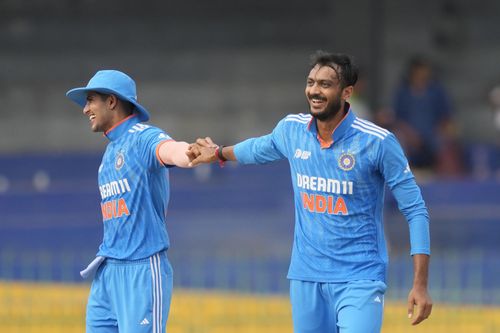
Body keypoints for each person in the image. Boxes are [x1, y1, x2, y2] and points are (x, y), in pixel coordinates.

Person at [187, 51, 433, 332]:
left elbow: (416, 210)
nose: (315, 90)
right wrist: (218, 153)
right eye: (311, 82)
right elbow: (256, 148)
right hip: (306, 277)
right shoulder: (292, 130)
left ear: (347, 92)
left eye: (325, 84)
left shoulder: (378, 142)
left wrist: (420, 285)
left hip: (359, 278)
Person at [66, 70, 194, 333]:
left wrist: (190, 153)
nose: (85, 109)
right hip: (108, 272)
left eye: (90, 100)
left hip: (142, 271)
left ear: (111, 101)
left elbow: (169, 149)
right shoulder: (110, 151)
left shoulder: (141, 136)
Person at [392, 55, 462, 174]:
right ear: (412, 72)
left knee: (447, 138)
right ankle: (405, 176)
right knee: (396, 139)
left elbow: (446, 115)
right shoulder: (402, 92)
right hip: (409, 135)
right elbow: (397, 118)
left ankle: (445, 176)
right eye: (419, 71)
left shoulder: (436, 91)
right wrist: (410, 134)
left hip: (433, 133)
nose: (423, 75)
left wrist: (442, 130)